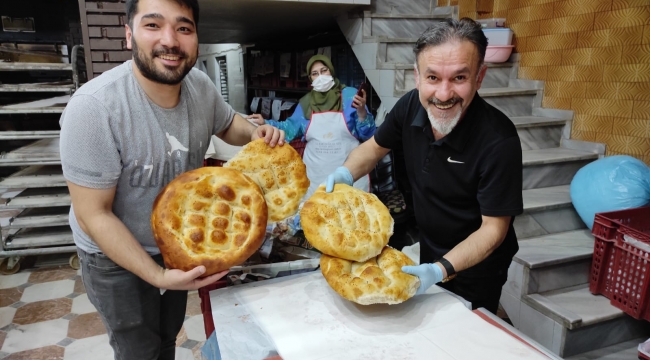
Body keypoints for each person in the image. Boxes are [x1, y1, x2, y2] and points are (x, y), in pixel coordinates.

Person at [58, 0, 284, 358]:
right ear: (128, 34)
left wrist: (257, 135)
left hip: (178, 248)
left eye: (183, 28)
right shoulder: (94, 109)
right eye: (153, 25)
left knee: (167, 338)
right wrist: (158, 276)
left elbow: (228, 124)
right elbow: (94, 214)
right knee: (138, 350)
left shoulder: (200, 86)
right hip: (113, 257)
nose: (171, 40)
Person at [325, 18, 523, 314]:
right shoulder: (410, 107)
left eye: (459, 78)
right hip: (432, 245)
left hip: (479, 263)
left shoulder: (499, 141)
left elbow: (494, 229)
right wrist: (345, 174)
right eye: (433, 78)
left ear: (480, 77)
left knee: (471, 323)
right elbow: (373, 147)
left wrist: (441, 269)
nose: (443, 95)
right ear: (417, 76)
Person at [248, 54, 375, 200]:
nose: (320, 76)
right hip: (316, 179)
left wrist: (361, 112)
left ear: (331, 71)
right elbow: (289, 129)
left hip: (351, 177)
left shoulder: (350, 96)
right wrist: (266, 123)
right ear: (310, 78)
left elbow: (369, 135)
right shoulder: (305, 104)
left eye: (324, 70)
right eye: (315, 73)